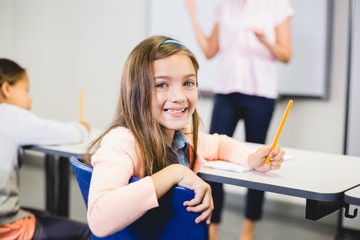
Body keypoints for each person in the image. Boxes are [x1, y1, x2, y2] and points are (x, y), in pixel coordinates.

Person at [84, 35, 285, 238]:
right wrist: (175, 173)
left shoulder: (184, 138)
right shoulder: (123, 142)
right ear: (136, 91)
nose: (179, 97)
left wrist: (251, 158)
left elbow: (221, 145)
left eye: (188, 83)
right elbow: (99, 220)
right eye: (161, 84)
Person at [185, 0, 294, 239]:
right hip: (226, 93)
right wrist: (193, 16)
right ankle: (212, 227)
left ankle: (248, 228)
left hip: (260, 94)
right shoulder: (224, 6)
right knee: (210, 160)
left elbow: (286, 54)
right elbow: (209, 51)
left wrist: (265, 40)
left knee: (260, 162)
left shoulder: (276, 5)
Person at [0, 58, 91, 239]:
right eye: (26, 90)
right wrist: (83, 127)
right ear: (6, 89)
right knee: (88, 232)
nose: (30, 98)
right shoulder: (9, 114)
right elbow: (69, 133)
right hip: (6, 228)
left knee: (45, 214)